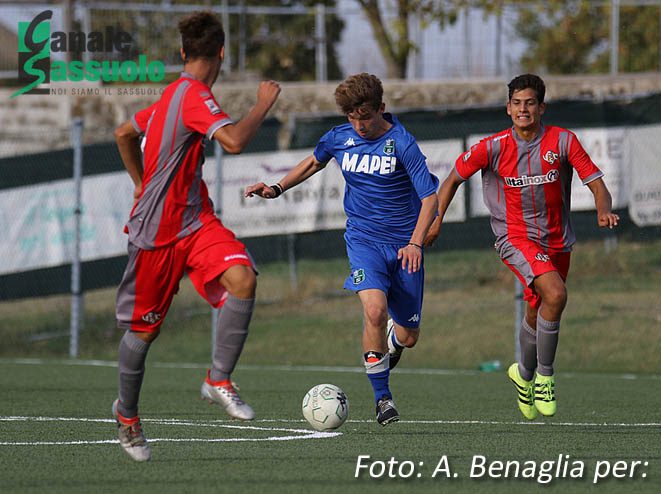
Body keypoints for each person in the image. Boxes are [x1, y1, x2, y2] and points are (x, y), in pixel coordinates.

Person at [112, 11, 280, 462]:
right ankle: (127, 415)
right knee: (143, 333)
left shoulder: (171, 93)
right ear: (222, 53)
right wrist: (264, 103)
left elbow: (124, 132)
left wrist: (139, 179)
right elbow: (233, 142)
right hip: (157, 235)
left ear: (183, 52)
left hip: (194, 220)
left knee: (243, 278)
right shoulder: (192, 96)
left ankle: (218, 379)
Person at [245, 73, 439, 426]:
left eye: (365, 117)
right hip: (363, 242)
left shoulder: (403, 143)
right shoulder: (340, 137)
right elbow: (313, 161)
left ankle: (393, 343)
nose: (359, 125)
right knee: (375, 311)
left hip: (404, 248)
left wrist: (415, 242)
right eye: (352, 118)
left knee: (409, 337)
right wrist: (276, 187)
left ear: (381, 108)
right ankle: (383, 399)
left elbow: (430, 199)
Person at [425, 74, 619, 420]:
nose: (523, 109)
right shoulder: (492, 147)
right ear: (508, 108)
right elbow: (453, 178)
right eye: (517, 103)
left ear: (541, 107)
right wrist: (436, 220)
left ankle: (523, 375)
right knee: (556, 295)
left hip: (558, 240)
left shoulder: (563, 141)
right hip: (515, 238)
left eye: (530, 102)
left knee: (538, 309)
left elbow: (598, 185)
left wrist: (603, 209)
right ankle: (545, 376)